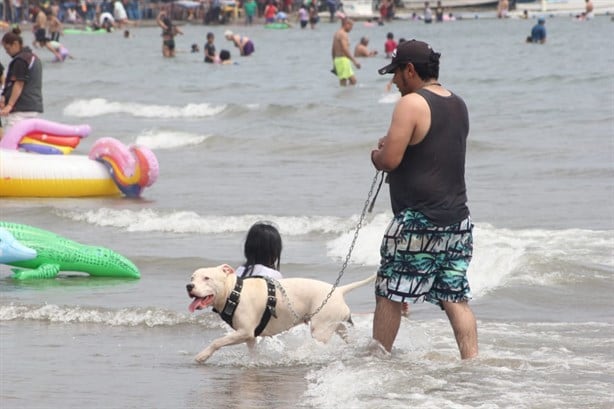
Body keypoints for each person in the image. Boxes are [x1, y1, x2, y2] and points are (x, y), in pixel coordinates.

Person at [371, 40, 478, 360]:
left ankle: (377, 362)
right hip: (457, 220)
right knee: (455, 298)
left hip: (417, 221)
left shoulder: (411, 103)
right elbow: (432, 150)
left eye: (397, 75)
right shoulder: (458, 103)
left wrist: (375, 153)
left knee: (389, 293)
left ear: (410, 70)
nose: (395, 83)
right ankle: (472, 363)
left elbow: (389, 160)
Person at [0, 30, 44, 132]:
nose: (7, 52)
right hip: (32, 106)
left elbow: (19, 84)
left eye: (7, 48)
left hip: (20, 109)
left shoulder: (20, 60)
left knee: (8, 142)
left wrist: (9, 105)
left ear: (15, 44)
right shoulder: (33, 57)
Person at [331, 17, 361, 86]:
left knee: (349, 81)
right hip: (343, 60)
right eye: (351, 26)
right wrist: (355, 61)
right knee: (347, 81)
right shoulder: (343, 34)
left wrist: (334, 63)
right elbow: (345, 49)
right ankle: (344, 96)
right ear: (347, 24)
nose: (351, 28)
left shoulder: (336, 33)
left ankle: (345, 95)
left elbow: (333, 50)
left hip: (338, 60)